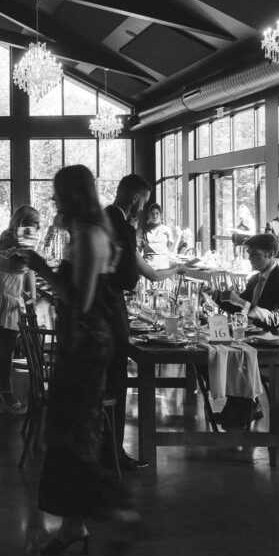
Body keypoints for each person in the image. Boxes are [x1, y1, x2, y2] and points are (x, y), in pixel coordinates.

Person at [17, 166, 138, 556]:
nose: (52, 201)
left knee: (72, 433)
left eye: (56, 195)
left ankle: (119, 510)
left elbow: (79, 301)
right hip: (83, 338)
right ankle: (74, 526)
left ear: (70, 197)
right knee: (70, 433)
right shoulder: (86, 234)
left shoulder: (88, 238)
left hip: (87, 343)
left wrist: (40, 269)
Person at [105, 175, 187, 470]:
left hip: (104, 309)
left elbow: (149, 273)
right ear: (136, 198)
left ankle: (109, 449)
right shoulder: (121, 226)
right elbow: (130, 276)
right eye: (143, 200)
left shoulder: (105, 217)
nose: (142, 207)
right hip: (110, 311)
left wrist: (175, 268)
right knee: (115, 382)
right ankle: (112, 452)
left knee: (113, 381)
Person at [204, 233, 279, 428]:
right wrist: (215, 296)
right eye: (249, 254)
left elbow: (275, 320)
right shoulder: (255, 280)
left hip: (278, 346)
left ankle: (241, 409)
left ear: (271, 254)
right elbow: (240, 307)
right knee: (214, 353)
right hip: (253, 339)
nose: (249, 259)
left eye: (254, 255)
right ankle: (241, 406)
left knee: (232, 356)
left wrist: (241, 302)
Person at [0, 205, 39, 415]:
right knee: (6, 348)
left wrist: (33, 293)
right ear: (24, 224)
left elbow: (27, 269)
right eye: (34, 224)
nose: (37, 228)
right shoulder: (18, 242)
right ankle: (7, 394)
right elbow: (32, 264)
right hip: (6, 295)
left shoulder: (7, 238)